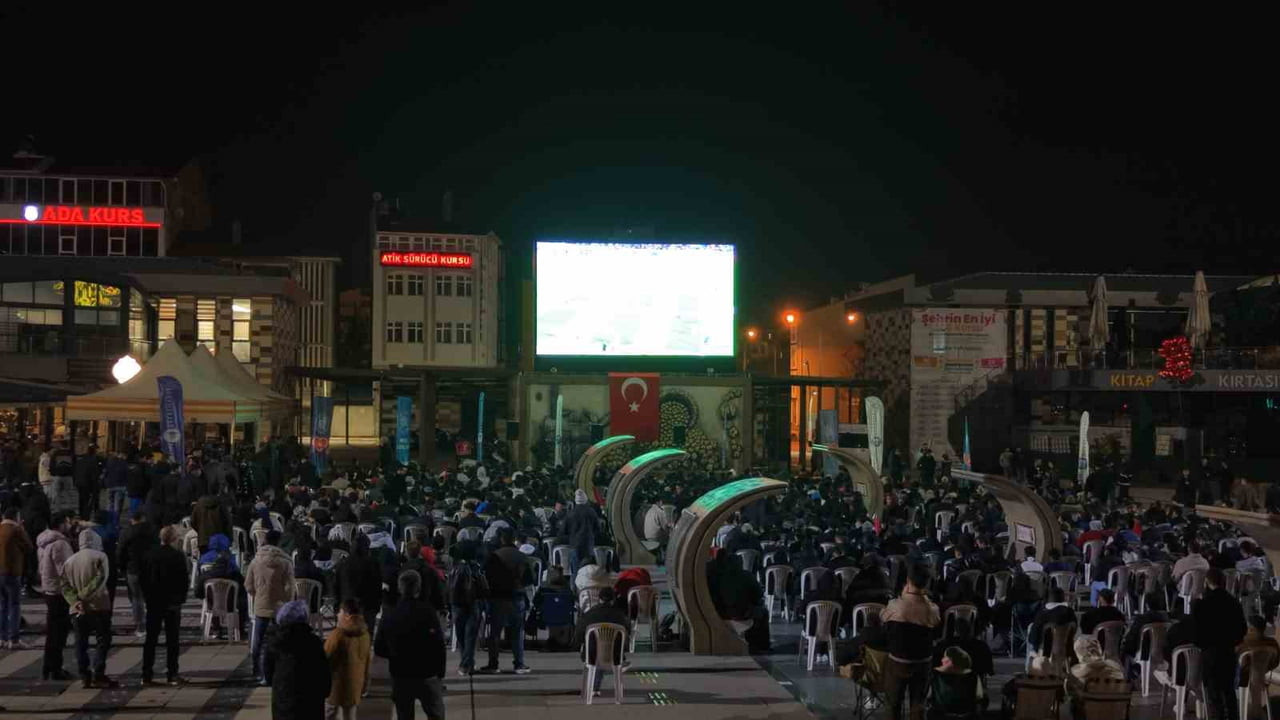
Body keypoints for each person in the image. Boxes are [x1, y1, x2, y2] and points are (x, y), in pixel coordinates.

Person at [375, 572, 447, 720]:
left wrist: (394, 654)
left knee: (404, 715)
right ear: (418, 588)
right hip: (427, 673)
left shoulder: (390, 614)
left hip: (400, 674)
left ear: (400, 588)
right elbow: (439, 645)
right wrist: (440, 672)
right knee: (436, 714)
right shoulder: (428, 612)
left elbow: (379, 648)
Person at [881, 563, 940, 720]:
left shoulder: (896, 606)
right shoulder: (932, 609)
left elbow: (883, 617)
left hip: (898, 661)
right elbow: (936, 625)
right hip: (923, 661)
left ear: (908, 580)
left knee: (893, 704)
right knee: (918, 705)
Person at [61, 529, 117, 688]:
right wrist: (83, 596)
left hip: (77, 609)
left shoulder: (70, 561)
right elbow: (100, 579)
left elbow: (64, 585)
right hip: (99, 605)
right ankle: (98, 673)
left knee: (81, 642)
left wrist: (75, 600)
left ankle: (84, 675)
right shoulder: (100, 557)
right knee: (103, 639)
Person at [1194, 568, 1247, 720]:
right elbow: (1242, 629)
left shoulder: (1202, 604)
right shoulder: (1233, 602)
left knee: (1214, 694)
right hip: (1229, 652)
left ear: (1207, 582)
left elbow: (1197, 634)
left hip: (1210, 654)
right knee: (1229, 691)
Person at [245, 529, 296, 684]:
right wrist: (285, 601)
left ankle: (256, 669)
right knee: (281, 640)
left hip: (261, 605)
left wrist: (258, 595)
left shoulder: (255, 561)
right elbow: (290, 587)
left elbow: (248, 585)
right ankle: (279, 668)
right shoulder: (286, 562)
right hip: (279, 607)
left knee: (258, 640)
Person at [140, 525, 189, 685]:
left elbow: (143, 579)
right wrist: (180, 599)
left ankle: (146, 674)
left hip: (154, 602)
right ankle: (172, 673)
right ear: (174, 539)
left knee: (151, 639)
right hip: (172, 603)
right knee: (172, 640)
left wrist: (147, 597)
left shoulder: (149, 555)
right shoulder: (177, 556)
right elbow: (183, 580)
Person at [266, 600, 331, 720]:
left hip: (284, 698)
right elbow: (323, 671)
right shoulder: (313, 642)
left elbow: (268, 672)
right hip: (311, 699)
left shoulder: (275, 643)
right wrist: (325, 691)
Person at [482, 527, 533, 674]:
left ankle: (493, 664)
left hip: (498, 598)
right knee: (517, 633)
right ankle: (519, 663)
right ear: (514, 540)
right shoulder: (522, 556)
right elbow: (530, 579)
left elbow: (486, 576)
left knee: (495, 633)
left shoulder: (494, 556)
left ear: (501, 539)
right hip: (517, 597)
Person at [571, 586, 630, 696]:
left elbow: (578, 636)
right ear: (613, 600)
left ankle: (592, 688)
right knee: (607, 648)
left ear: (599, 599)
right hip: (615, 655)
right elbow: (628, 632)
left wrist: (580, 647)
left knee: (596, 649)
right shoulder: (620, 615)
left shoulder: (589, 614)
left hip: (591, 654)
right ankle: (598, 688)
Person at [36, 512, 74, 678]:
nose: (70, 525)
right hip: (59, 591)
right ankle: (55, 668)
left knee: (52, 631)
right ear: (61, 524)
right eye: (68, 522)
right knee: (59, 633)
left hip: (48, 588)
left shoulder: (43, 541)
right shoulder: (60, 544)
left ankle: (48, 666)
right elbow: (65, 570)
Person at [324, 598, 372, 720]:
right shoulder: (365, 633)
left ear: (346, 615)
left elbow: (326, 659)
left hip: (336, 686)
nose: (337, 615)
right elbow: (367, 661)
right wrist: (365, 682)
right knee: (350, 716)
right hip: (355, 685)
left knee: (330, 713)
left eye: (339, 612)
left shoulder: (337, 635)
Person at [448, 542, 486, 675]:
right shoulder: (476, 568)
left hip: (457, 605)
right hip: (473, 604)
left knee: (461, 636)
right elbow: (483, 588)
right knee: (470, 637)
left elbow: (450, 588)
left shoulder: (455, 569)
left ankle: (466, 663)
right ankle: (466, 664)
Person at [117, 510, 156, 638]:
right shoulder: (152, 531)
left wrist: (122, 567)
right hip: (150, 568)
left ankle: (140, 627)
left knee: (136, 598)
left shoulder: (126, 533)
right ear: (143, 518)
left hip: (133, 569)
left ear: (131, 519)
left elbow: (120, 552)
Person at [1065, 635, 1124, 718]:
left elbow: (1068, 691)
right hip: (1115, 714)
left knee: (1073, 701)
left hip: (1093, 714)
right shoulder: (1116, 666)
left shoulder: (1080, 671)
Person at [0, 507, 33, 649]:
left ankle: (2, 638)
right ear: (15, 517)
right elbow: (29, 547)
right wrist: (22, 529)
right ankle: (14, 640)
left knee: (2, 606)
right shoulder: (16, 530)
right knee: (14, 605)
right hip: (12, 572)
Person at [926, 646, 984, 719]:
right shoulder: (973, 676)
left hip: (941, 715)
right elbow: (979, 698)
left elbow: (928, 697)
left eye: (945, 658)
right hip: (965, 715)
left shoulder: (935, 675)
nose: (942, 660)